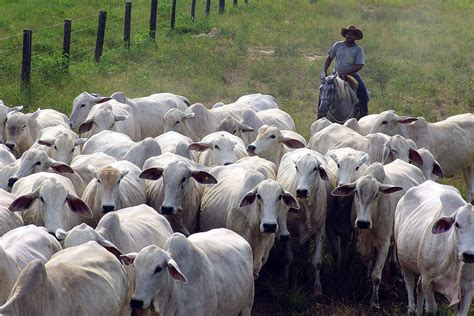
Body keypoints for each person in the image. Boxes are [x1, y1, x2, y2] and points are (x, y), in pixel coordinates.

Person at [322, 25, 369, 118]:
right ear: (345, 35)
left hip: (352, 75)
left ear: (355, 37)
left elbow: (360, 65)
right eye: (348, 34)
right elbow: (329, 58)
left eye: (352, 35)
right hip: (335, 75)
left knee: (364, 94)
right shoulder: (337, 45)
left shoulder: (358, 50)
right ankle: (320, 114)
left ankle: (364, 115)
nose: (349, 36)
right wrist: (324, 70)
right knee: (324, 90)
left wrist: (347, 72)